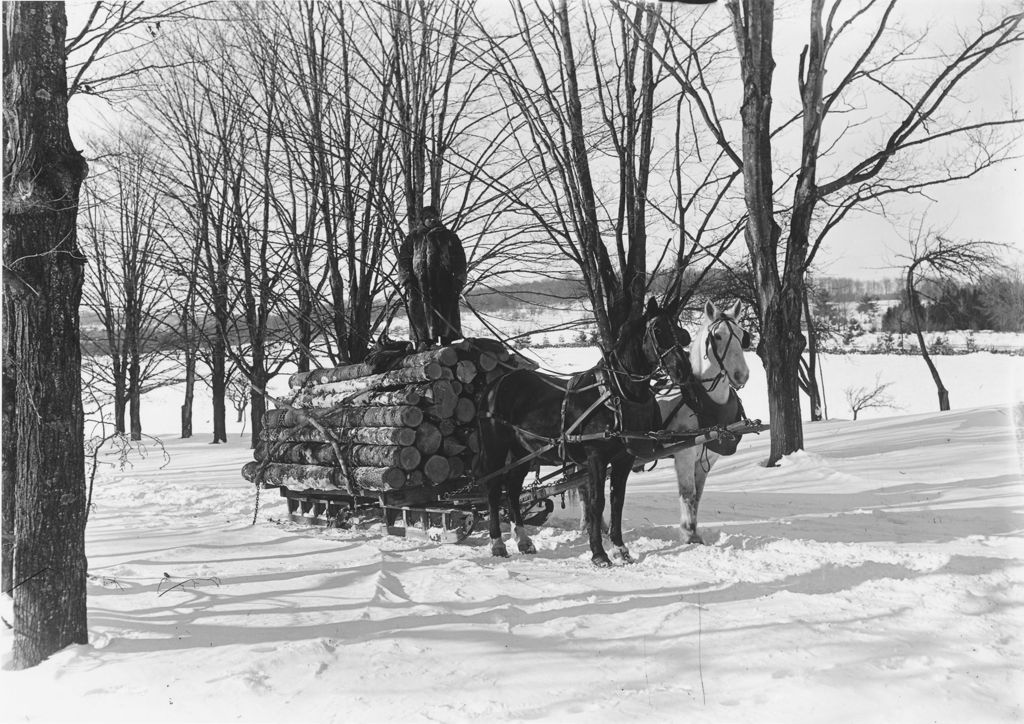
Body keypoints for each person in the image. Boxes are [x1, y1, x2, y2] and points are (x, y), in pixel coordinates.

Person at [397, 205, 467, 350]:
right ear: (423, 220)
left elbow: (460, 261)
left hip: (444, 286)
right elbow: (404, 260)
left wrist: (458, 281)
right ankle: (425, 347)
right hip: (419, 288)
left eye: (434, 217)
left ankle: (448, 350)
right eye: (428, 217)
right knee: (422, 329)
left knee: (446, 326)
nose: (432, 220)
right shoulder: (413, 238)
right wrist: (407, 280)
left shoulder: (449, 237)